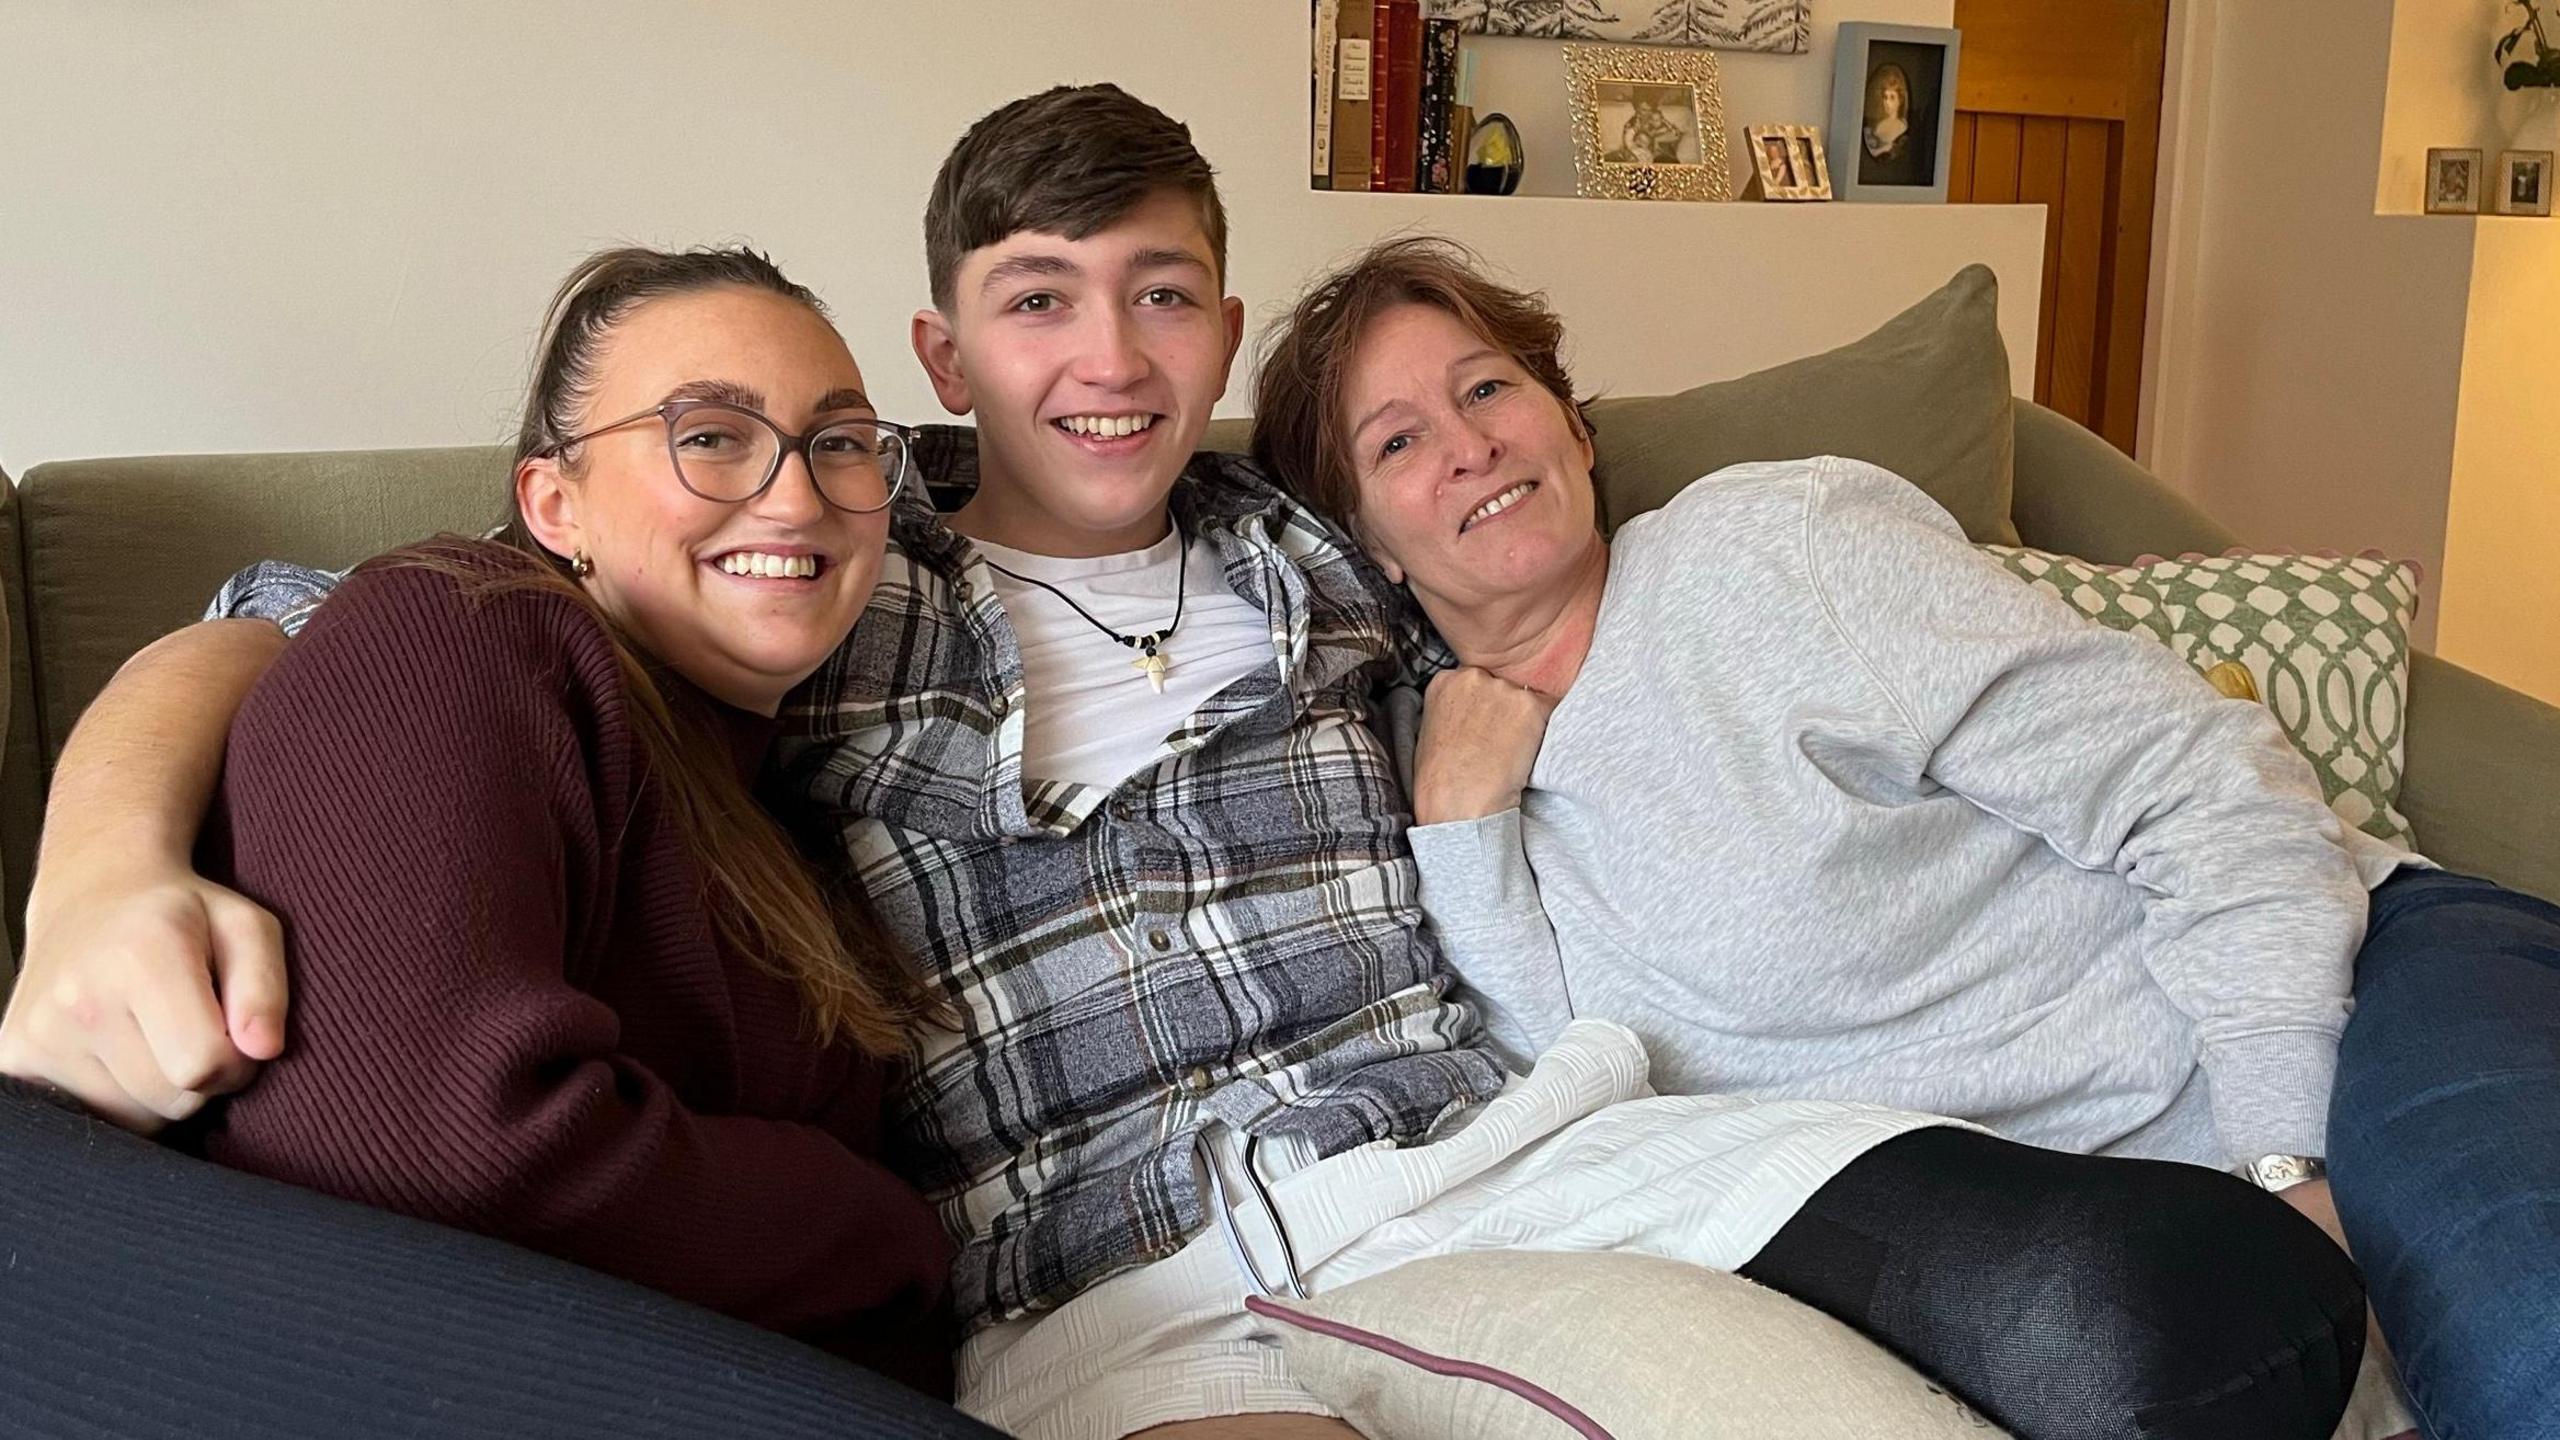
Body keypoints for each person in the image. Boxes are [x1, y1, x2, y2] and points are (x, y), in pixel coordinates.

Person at [4, 89, 2367, 1440]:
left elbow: (1612, 606)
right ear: (949, 350)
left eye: (1159, 295)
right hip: (1122, 1254)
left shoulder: (1338, 554)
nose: (1107, 359)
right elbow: (286, 631)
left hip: (1518, 1139)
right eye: (1038, 304)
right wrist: (96, 863)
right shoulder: (821, 569)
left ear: (1226, 335)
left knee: (2160, 1308)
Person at [1250, 234, 2560, 1439]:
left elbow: (2195, 782)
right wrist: (1467, 829)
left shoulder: (1774, 551)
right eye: (1399, 442)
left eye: (1487, 389)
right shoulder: (1414, 773)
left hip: (2364, 984)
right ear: (1365, 539)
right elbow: (1589, 1105)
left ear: (1572, 430)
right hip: (2135, 1240)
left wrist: (2287, 1153)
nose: (1469, 445)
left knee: (2524, 1357)